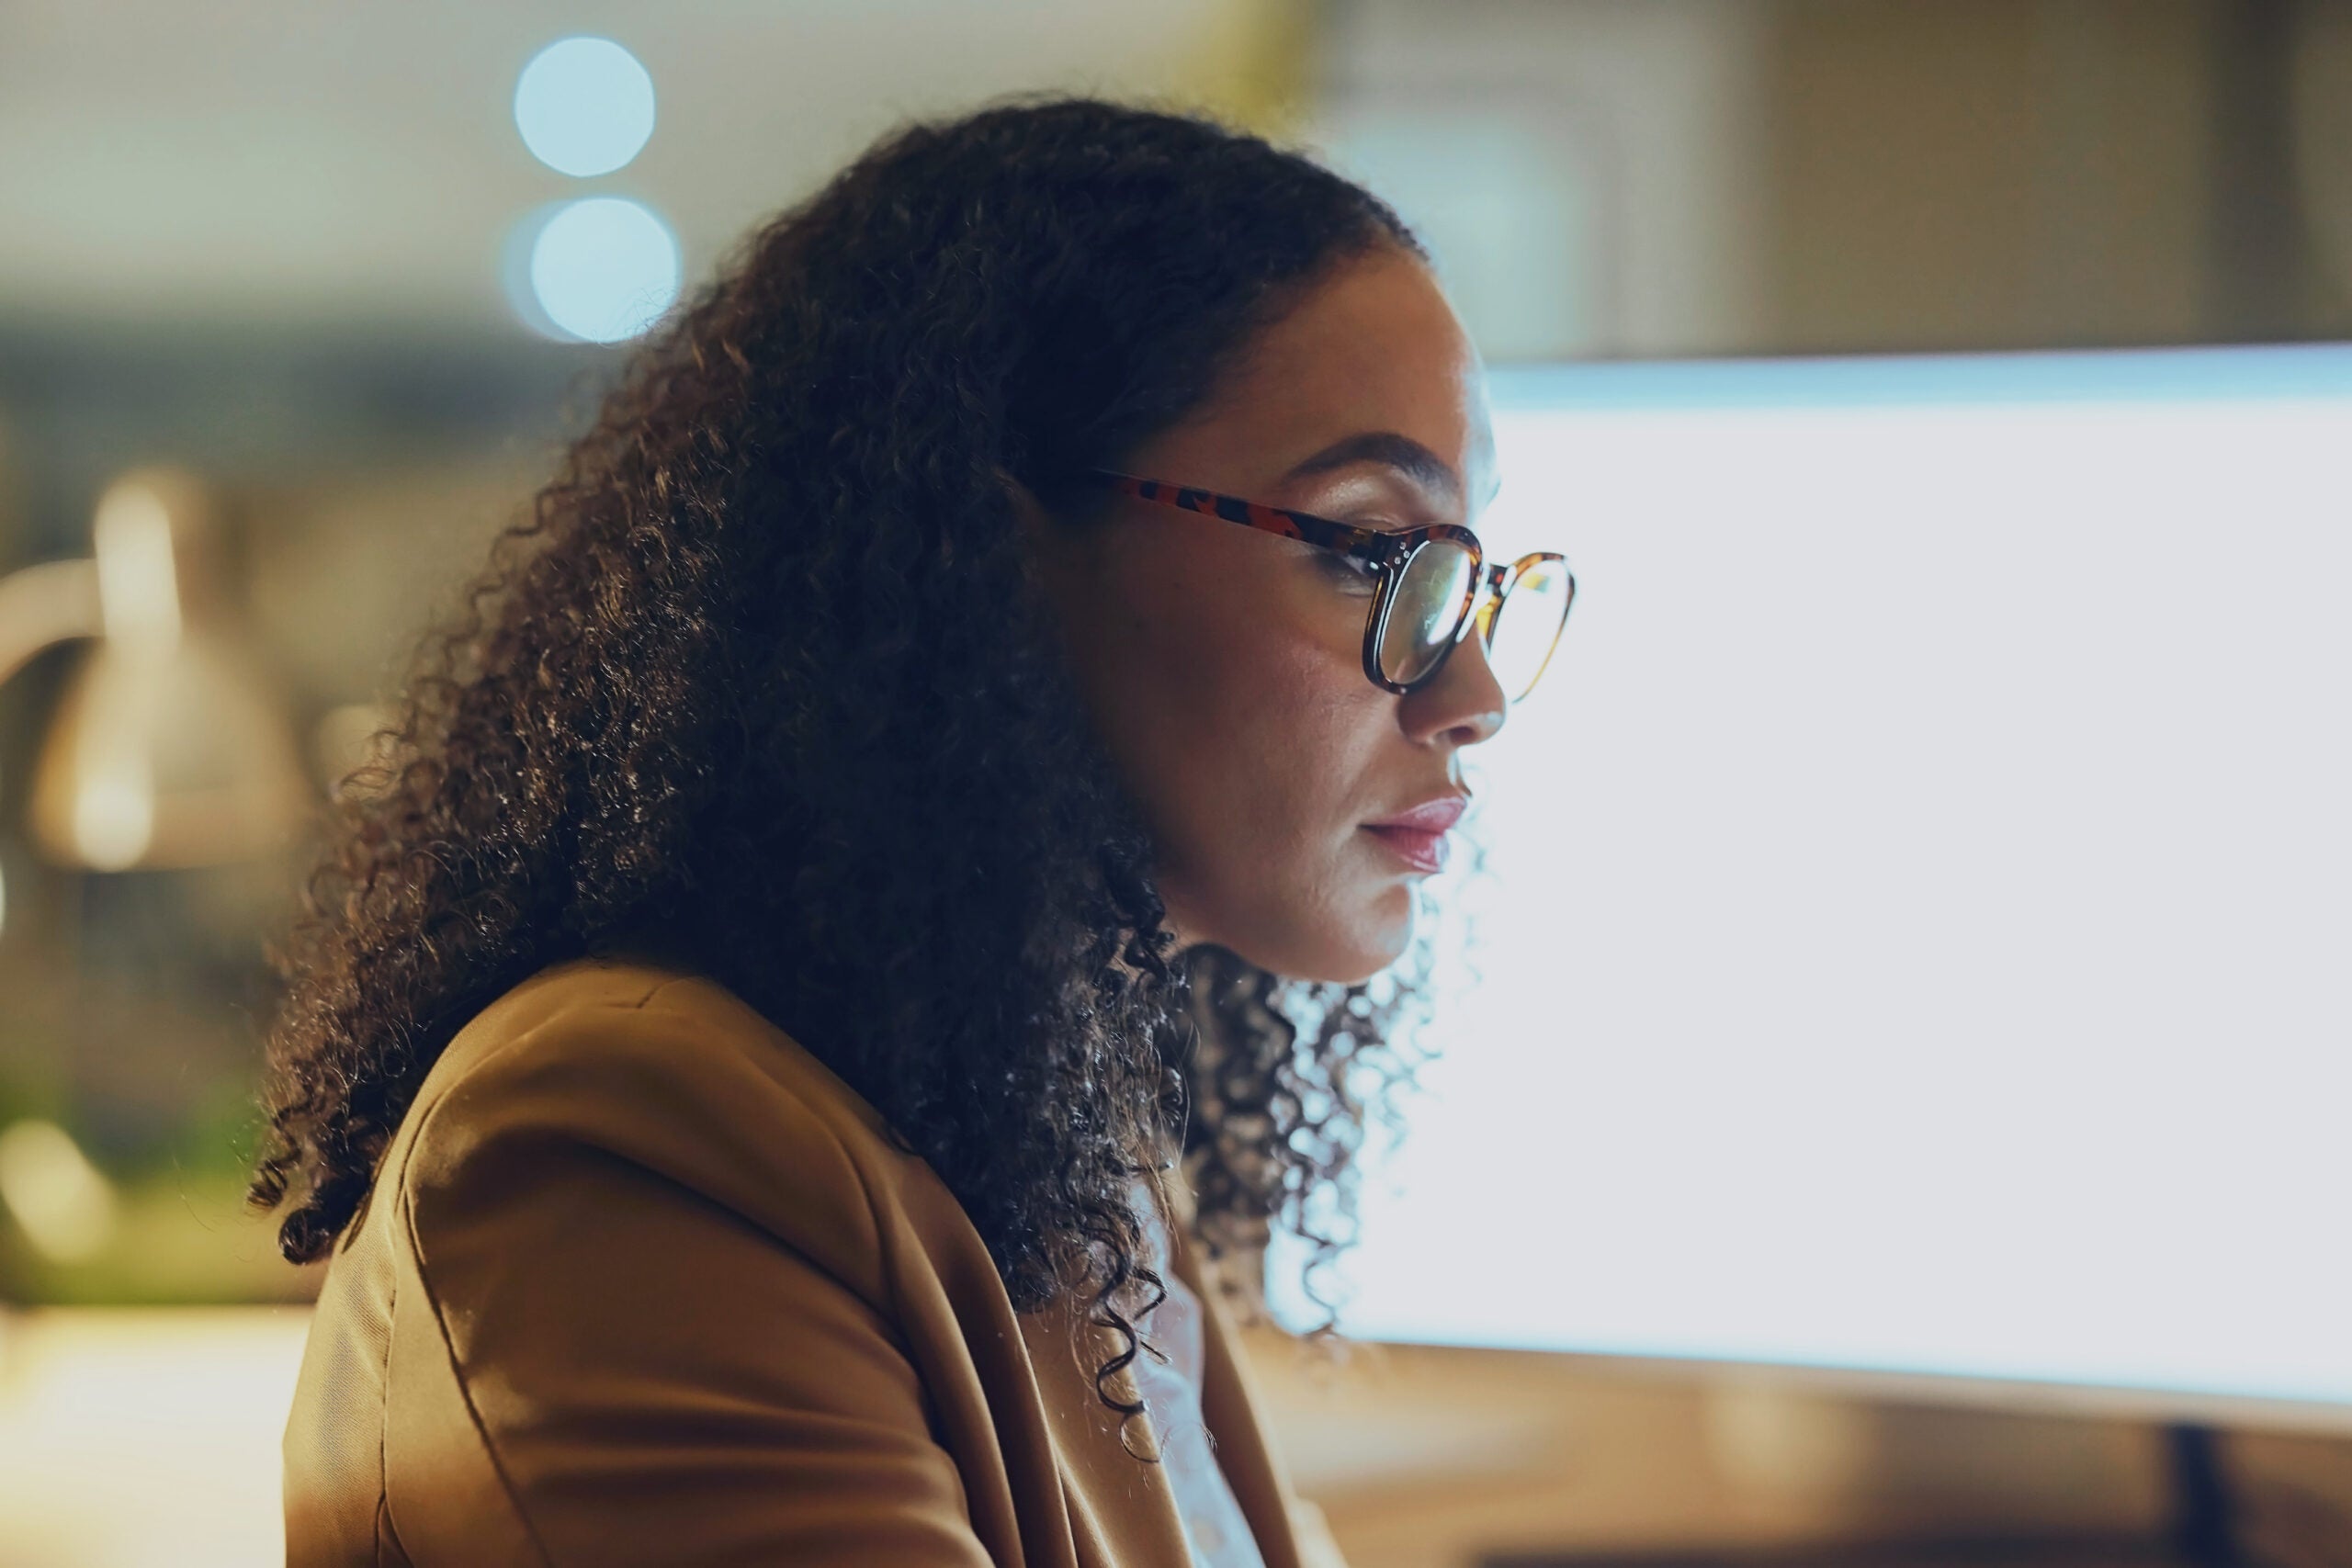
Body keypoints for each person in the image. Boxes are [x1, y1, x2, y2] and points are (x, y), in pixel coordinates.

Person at [254, 93, 1573, 1568]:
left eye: (1472, 572)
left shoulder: (1042, 1143)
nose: (1474, 692)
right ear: (994, 567)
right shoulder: (625, 1153)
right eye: (1375, 549)